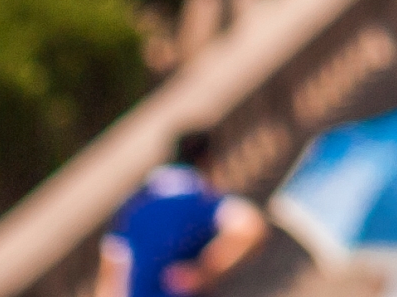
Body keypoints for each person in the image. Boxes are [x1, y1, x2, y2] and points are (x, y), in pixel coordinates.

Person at [95, 126, 269, 297]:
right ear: (206, 160)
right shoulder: (198, 201)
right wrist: (206, 271)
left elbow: (109, 279)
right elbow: (252, 227)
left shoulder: (130, 208)